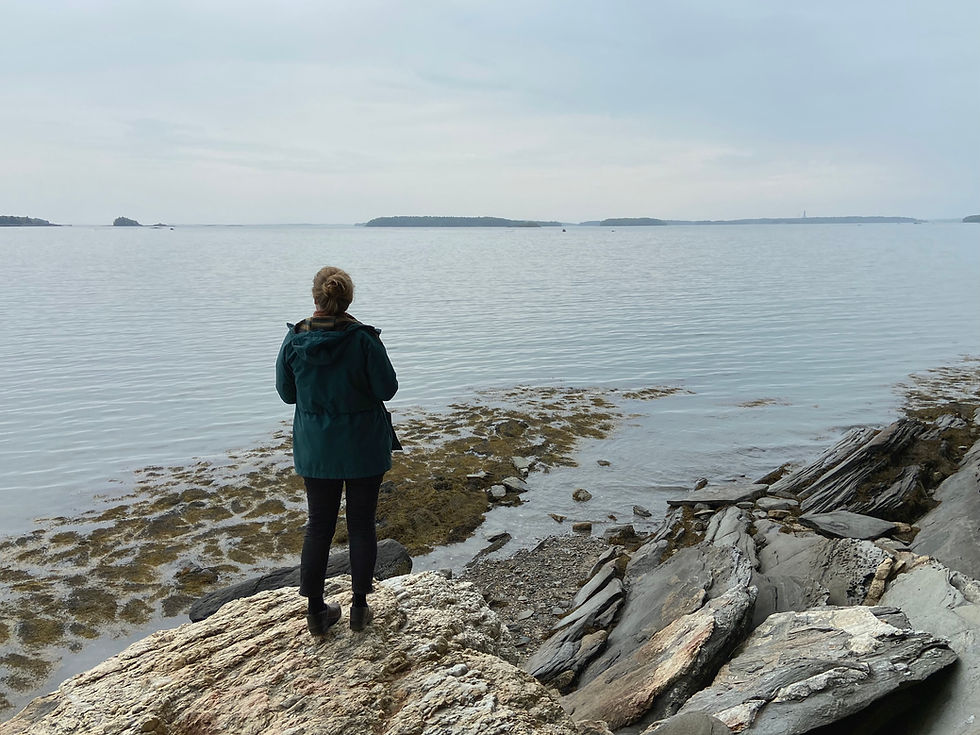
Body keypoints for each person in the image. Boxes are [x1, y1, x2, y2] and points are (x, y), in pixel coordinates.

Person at [276, 266, 398, 637]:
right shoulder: (363, 340)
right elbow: (387, 388)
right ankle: (360, 608)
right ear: (348, 299)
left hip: (317, 447)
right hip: (362, 444)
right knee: (361, 525)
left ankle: (316, 613)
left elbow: (287, 394)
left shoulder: (294, 340)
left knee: (319, 526)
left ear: (316, 298)